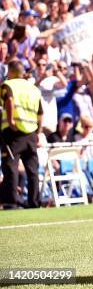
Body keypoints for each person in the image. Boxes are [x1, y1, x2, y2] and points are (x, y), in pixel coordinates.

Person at [0, 60, 43, 209]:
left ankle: (11, 202)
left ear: (11, 72)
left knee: (10, 167)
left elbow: (9, 100)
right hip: (31, 133)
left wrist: (11, 121)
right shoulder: (34, 89)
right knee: (32, 170)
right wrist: (39, 132)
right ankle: (34, 201)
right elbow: (40, 113)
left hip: (14, 133)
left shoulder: (9, 85)